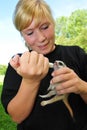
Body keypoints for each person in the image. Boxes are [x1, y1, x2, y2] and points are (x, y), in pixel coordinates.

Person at [1, 0, 87, 130]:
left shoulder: (76, 53)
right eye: (30, 33)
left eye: (45, 27)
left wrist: (82, 87)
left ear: (53, 23)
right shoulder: (18, 63)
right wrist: (30, 81)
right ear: (23, 36)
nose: (41, 38)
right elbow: (16, 116)